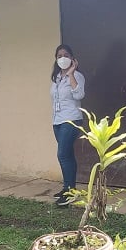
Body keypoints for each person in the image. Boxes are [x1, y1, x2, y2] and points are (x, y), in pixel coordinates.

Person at [50, 44, 85, 206]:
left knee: (62, 155)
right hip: (57, 120)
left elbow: (79, 94)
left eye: (66, 55)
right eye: (59, 56)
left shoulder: (77, 76)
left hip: (71, 120)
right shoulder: (56, 78)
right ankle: (68, 189)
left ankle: (70, 192)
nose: (62, 58)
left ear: (72, 58)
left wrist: (71, 74)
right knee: (68, 155)